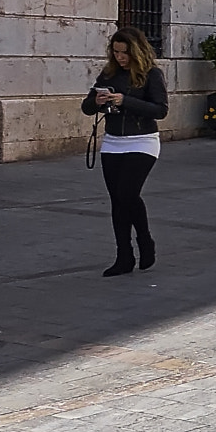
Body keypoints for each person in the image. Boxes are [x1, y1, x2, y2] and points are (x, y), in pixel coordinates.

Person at [83, 26, 167, 276]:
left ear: (136, 51)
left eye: (124, 52)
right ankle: (124, 255)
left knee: (128, 194)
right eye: (116, 51)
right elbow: (87, 107)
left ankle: (145, 240)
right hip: (113, 142)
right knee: (117, 201)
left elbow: (160, 110)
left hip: (143, 140)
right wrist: (96, 101)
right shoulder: (109, 75)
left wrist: (125, 100)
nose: (119, 57)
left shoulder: (152, 74)